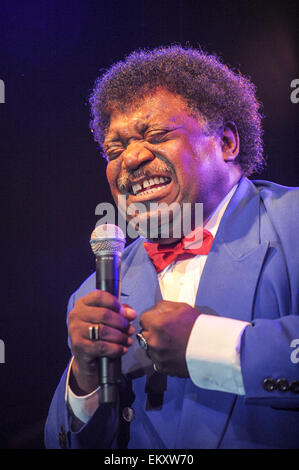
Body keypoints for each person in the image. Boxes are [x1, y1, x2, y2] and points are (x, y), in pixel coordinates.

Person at [45, 45, 299, 449]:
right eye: (115, 149)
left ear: (228, 142)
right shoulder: (95, 293)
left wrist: (207, 345)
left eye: (157, 135)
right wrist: (85, 378)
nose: (130, 159)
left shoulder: (294, 222)